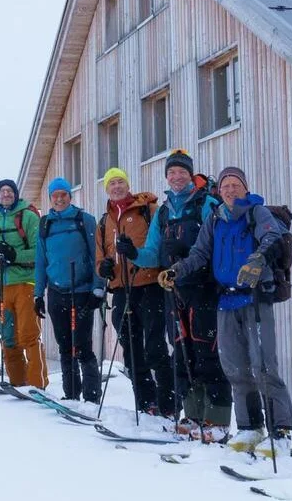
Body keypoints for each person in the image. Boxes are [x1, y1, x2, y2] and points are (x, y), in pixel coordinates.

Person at [166, 166, 292, 455]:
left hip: (255, 298)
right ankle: (250, 428)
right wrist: (177, 270)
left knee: (263, 365)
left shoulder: (256, 212)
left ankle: (280, 432)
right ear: (219, 191)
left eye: (236, 185)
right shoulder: (216, 218)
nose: (230, 190)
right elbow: (200, 253)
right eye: (225, 186)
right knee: (234, 367)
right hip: (226, 300)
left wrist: (258, 259)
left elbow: (272, 238)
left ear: (245, 188)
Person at [121, 150, 234, 443]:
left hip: (204, 288)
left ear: (190, 174)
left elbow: (217, 245)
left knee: (207, 352)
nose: (176, 176)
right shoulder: (164, 211)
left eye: (181, 172)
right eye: (171, 173)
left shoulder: (207, 204)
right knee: (183, 355)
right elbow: (153, 253)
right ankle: (193, 415)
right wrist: (133, 254)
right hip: (174, 289)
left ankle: (217, 418)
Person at [93, 167, 173, 417]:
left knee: (155, 347)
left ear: (128, 185)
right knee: (131, 350)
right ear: (106, 189)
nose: (116, 187)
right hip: (121, 290)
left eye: (120, 182)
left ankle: (169, 404)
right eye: (111, 184)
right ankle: (146, 402)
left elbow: (159, 248)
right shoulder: (104, 221)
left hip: (149, 286)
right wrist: (103, 268)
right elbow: (99, 257)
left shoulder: (148, 211)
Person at [34, 177, 105, 402]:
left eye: (63, 194)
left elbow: (97, 256)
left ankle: (92, 397)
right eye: (55, 196)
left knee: (82, 345)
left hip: (82, 291)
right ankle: (71, 394)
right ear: (50, 199)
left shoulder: (85, 220)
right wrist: (38, 294)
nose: (59, 199)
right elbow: (40, 261)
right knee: (65, 346)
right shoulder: (45, 224)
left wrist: (98, 289)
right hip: (56, 293)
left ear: (70, 196)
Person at [0, 179, 47, 388]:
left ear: (16, 194)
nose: (6, 194)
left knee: (28, 335)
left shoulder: (28, 216)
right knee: (7, 336)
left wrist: (13, 254)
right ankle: (18, 383)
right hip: (0, 285)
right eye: (2, 191)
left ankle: (38, 385)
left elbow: (39, 252)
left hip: (25, 282)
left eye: (10, 191)